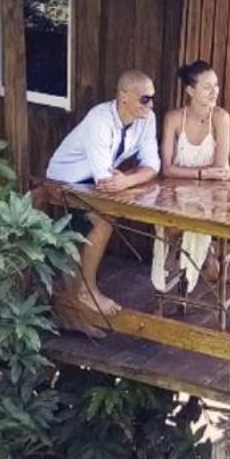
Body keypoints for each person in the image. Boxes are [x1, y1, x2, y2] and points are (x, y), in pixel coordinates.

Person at [45, 70, 161, 320]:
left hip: (95, 180)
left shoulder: (147, 119)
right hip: (65, 179)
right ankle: (86, 291)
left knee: (107, 214)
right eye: (144, 99)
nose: (150, 104)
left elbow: (153, 164)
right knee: (104, 220)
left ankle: (75, 293)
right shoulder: (100, 119)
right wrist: (126, 179)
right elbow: (105, 180)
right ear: (123, 97)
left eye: (152, 98)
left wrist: (128, 179)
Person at [154, 60, 230, 293]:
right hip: (175, 191)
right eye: (207, 87)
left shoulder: (220, 118)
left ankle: (188, 256)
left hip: (212, 195)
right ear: (190, 90)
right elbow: (166, 169)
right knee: (169, 220)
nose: (214, 92)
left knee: (194, 218)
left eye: (216, 86)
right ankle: (199, 255)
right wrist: (202, 173)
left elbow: (219, 169)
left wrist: (201, 175)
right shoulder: (174, 118)